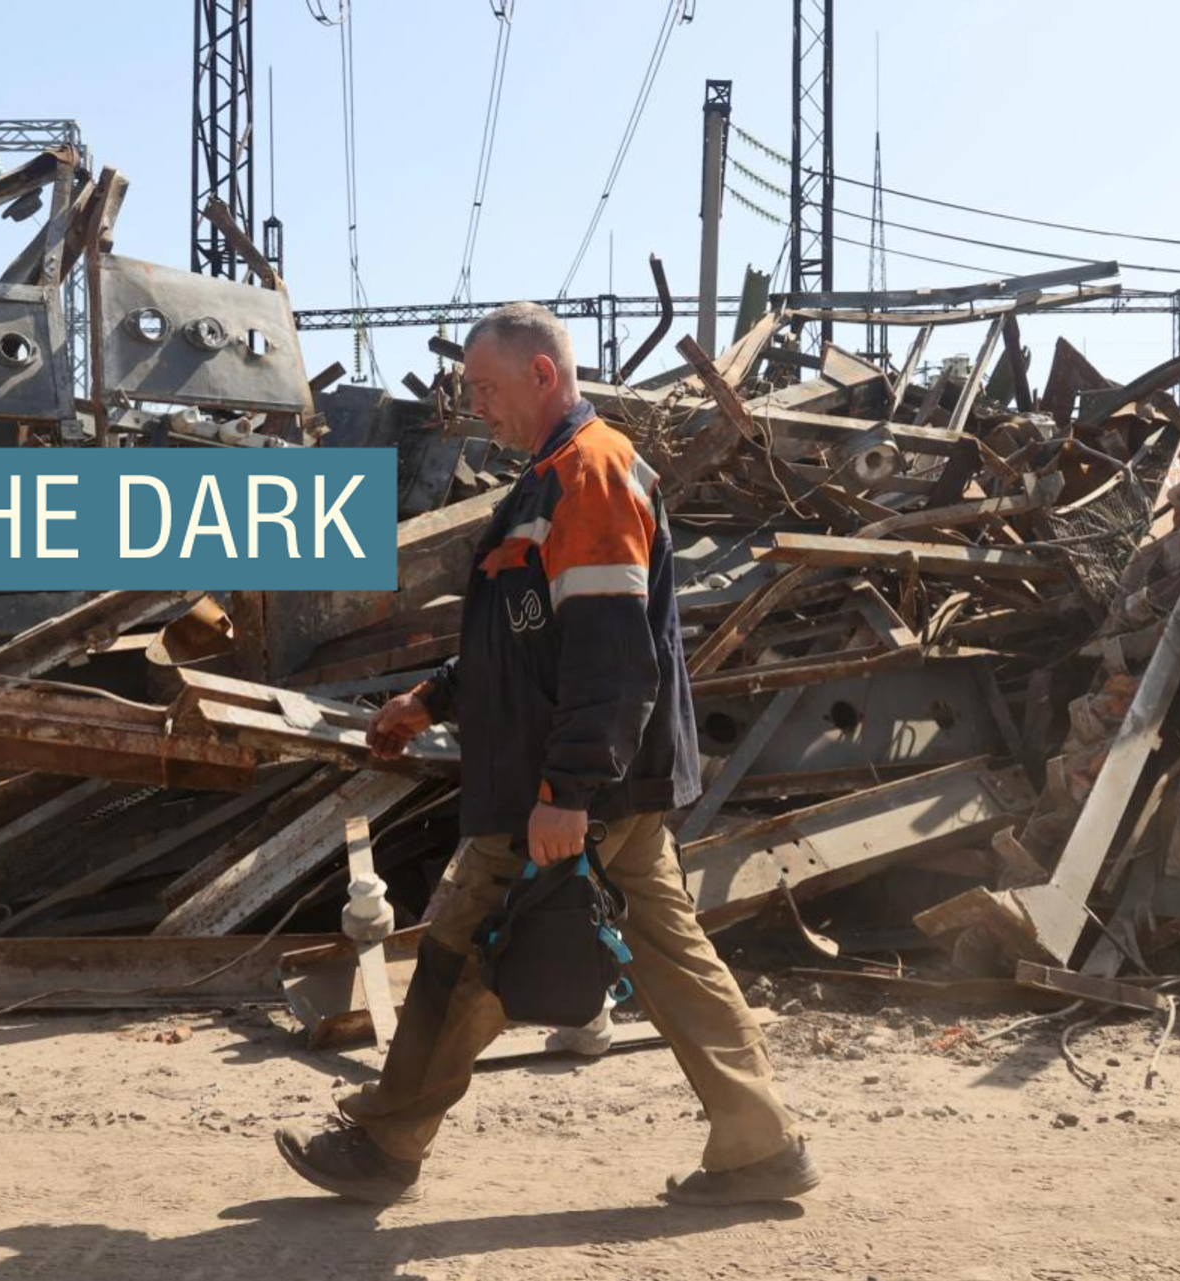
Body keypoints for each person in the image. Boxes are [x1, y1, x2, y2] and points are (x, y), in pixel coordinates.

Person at [275, 302, 818, 1207]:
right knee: (673, 959)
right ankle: (760, 1142)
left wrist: (566, 790)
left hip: (572, 786)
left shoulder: (591, 477)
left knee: (464, 946)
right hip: (611, 783)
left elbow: (610, 657)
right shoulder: (547, 481)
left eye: (485, 388)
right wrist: (432, 697)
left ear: (541, 374)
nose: (475, 406)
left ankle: (386, 1140)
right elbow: (527, 639)